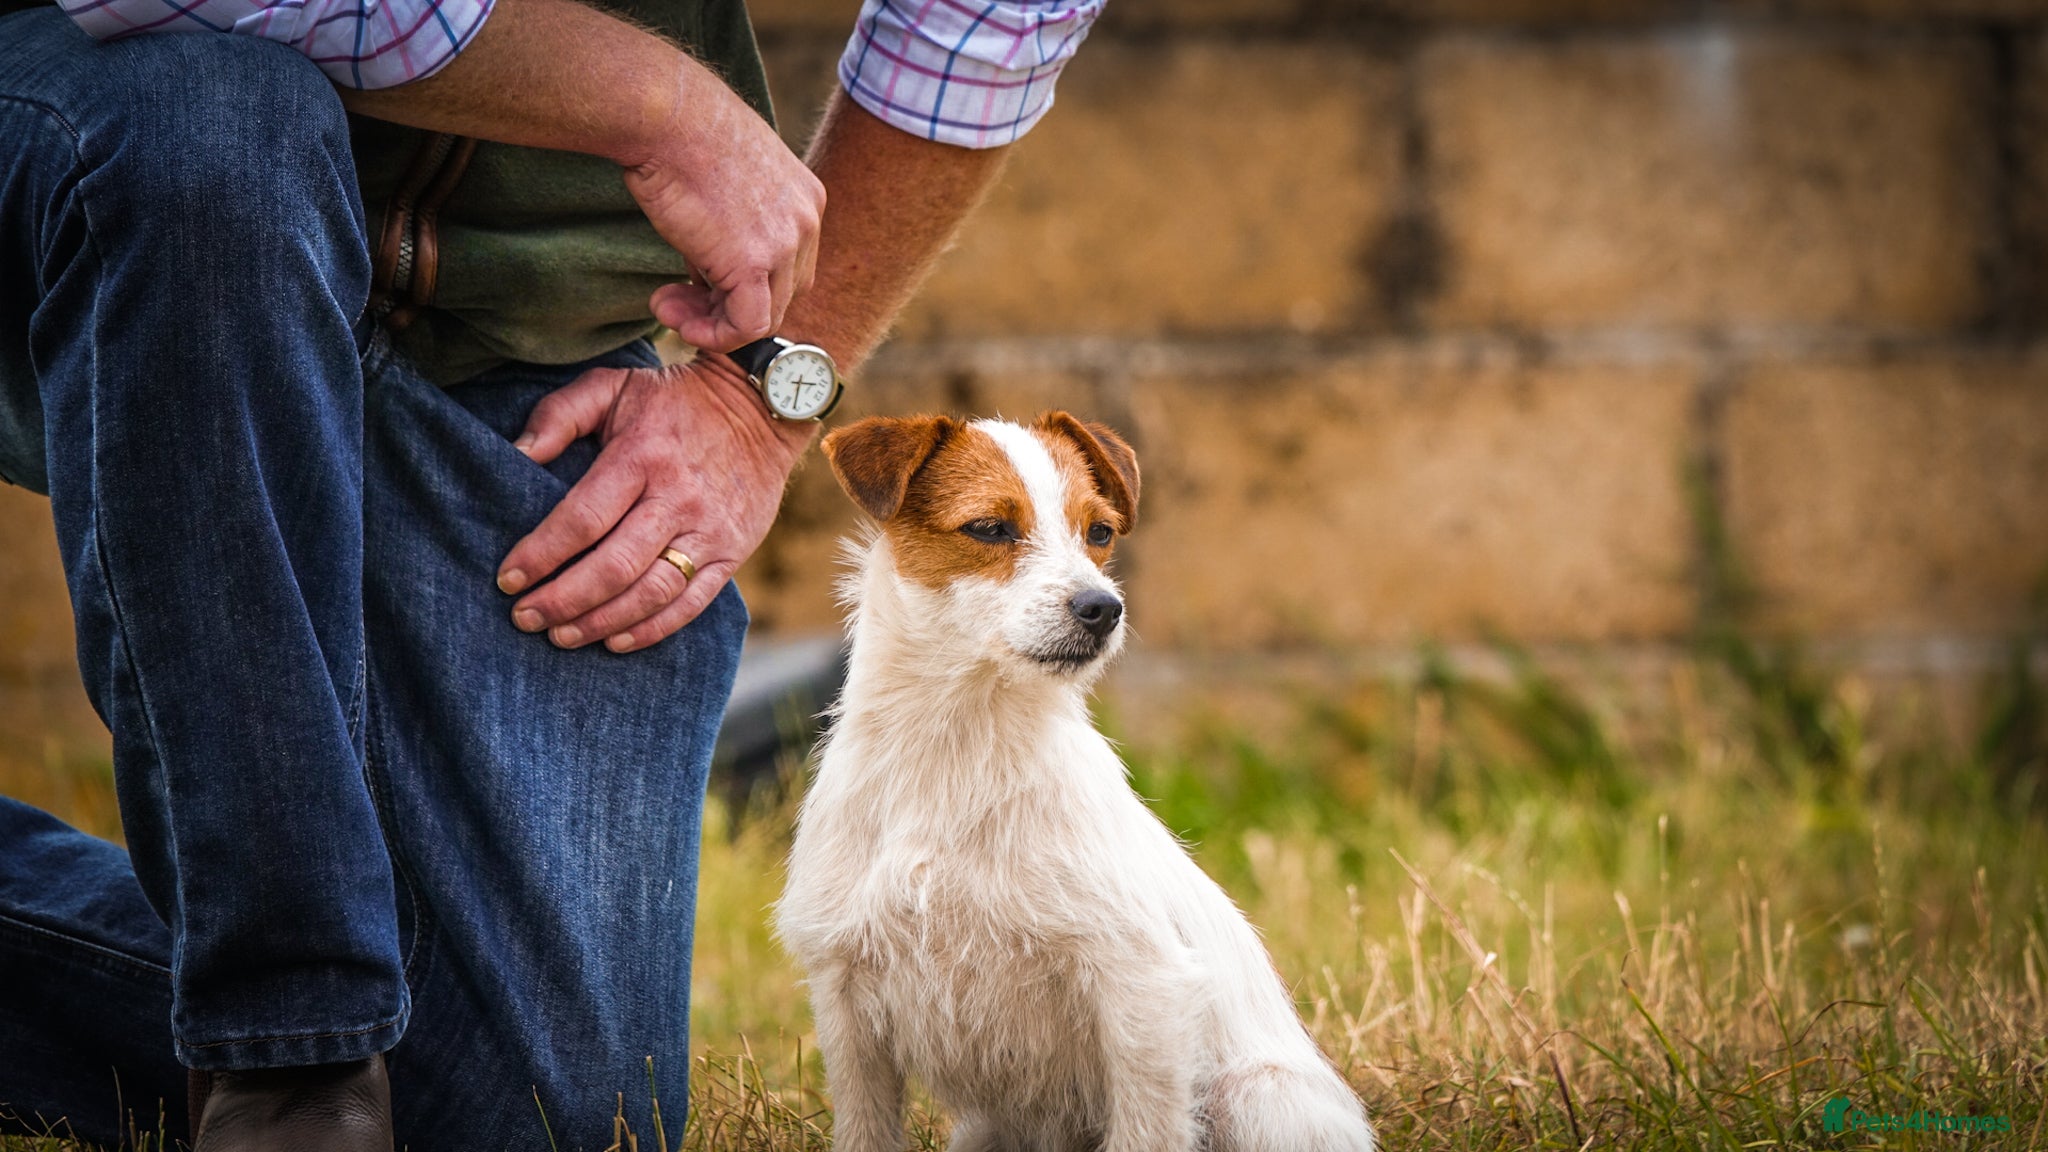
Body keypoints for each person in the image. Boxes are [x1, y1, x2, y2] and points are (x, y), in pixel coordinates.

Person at [0, 0, 1101, 1143]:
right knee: (219, 124)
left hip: (515, 328)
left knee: (535, 1118)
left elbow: (992, 16)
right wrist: (662, 110)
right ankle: (292, 1057)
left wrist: (755, 395)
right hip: (120, 168)